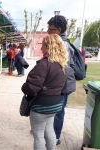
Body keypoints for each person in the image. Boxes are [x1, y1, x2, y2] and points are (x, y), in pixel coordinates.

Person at [21, 34, 68, 150]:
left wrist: (24, 87)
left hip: (41, 106)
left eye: (43, 45)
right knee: (49, 130)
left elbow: (32, 88)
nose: (41, 48)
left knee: (38, 135)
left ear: (49, 47)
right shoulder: (63, 65)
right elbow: (65, 88)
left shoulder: (44, 64)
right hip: (55, 105)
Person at [47, 15, 76, 145]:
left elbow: (59, 67)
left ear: (58, 30)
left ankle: (56, 136)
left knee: (58, 111)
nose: (48, 31)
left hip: (63, 84)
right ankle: (50, 132)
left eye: (51, 29)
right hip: (61, 83)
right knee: (54, 108)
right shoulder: (63, 42)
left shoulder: (61, 44)